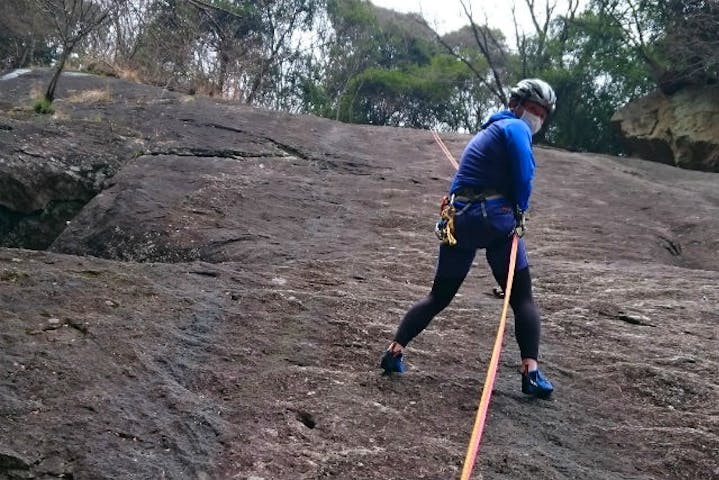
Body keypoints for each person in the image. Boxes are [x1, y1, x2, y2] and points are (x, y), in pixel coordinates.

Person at [379, 78, 556, 399]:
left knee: (439, 296)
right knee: (522, 298)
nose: (536, 117)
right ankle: (530, 372)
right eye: (532, 109)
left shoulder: (487, 132)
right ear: (516, 105)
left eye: (541, 113)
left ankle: (394, 351)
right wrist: (521, 209)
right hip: (495, 218)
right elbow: (525, 172)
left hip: (459, 221)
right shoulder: (516, 129)